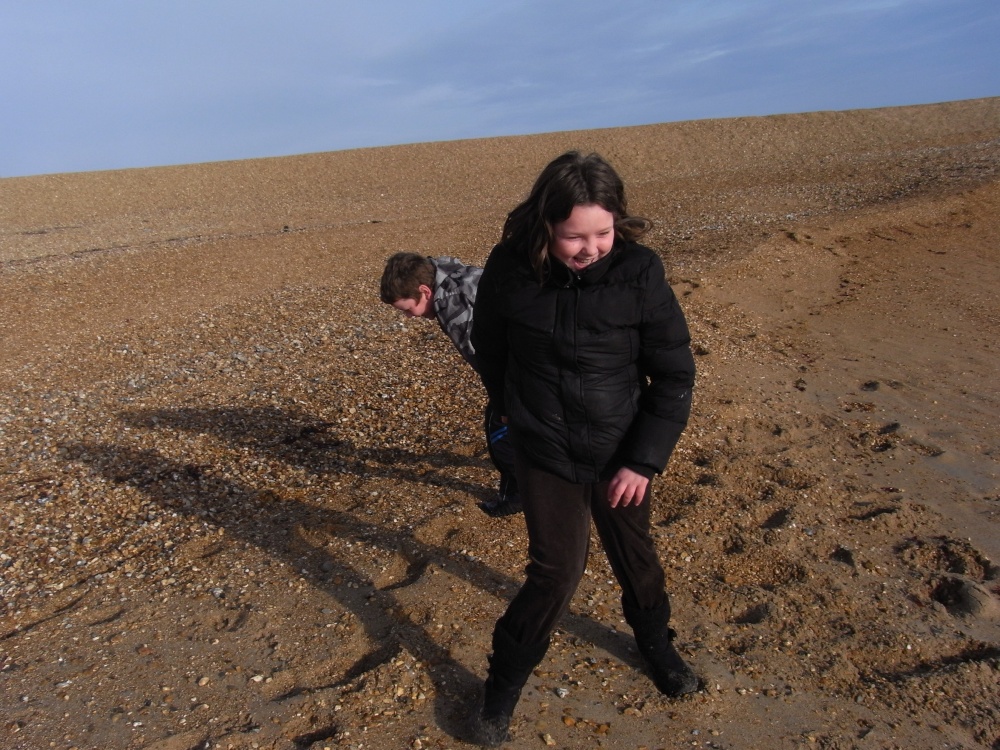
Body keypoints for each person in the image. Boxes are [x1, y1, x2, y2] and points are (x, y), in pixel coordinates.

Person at [468, 151, 698, 746]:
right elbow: (491, 350)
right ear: (546, 222)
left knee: (636, 558)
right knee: (556, 572)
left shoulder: (640, 272)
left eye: (603, 231)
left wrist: (644, 459)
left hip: (621, 449)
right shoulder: (509, 269)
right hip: (544, 449)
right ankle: (502, 688)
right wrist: (517, 409)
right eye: (575, 236)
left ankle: (658, 649)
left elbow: (673, 376)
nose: (591, 247)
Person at [379, 252, 521, 517]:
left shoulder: (453, 305)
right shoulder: (444, 271)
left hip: (524, 367)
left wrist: (506, 403)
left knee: (500, 433)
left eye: (408, 309)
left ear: (425, 290)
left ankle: (518, 494)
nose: (409, 317)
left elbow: (487, 358)